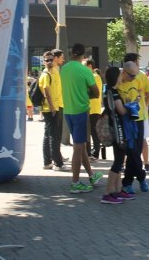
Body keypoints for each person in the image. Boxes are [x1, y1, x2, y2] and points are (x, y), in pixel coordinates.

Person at [61, 43, 103, 193]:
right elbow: (96, 93)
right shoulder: (85, 71)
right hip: (81, 111)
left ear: (71, 53)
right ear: (84, 55)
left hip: (68, 111)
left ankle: (91, 175)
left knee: (81, 145)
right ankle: (75, 182)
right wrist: (85, 94)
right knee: (78, 148)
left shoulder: (63, 69)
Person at [100, 67, 136, 204]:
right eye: (120, 75)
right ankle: (107, 193)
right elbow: (121, 111)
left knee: (120, 160)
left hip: (115, 129)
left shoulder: (109, 91)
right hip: (117, 130)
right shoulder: (113, 93)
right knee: (118, 161)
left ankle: (118, 189)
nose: (122, 77)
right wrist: (130, 105)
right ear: (116, 77)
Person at [118, 60, 149, 193]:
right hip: (125, 121)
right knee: (131, 152)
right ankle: (141, 177)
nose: (134, 77)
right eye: (131, 76)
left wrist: (144, 108)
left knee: (135, 152)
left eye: (136, 74)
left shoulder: (141, 76)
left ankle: (128, 182)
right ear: (124, 72)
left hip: (139, 119)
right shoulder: (118, 81)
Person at [123, 53, 149, 176]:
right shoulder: (140, 75)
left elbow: (148, 94)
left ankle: (129, 165)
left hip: (128, 115)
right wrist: (144, 107)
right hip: (138, 115)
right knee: (141, 140)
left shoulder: (125, 76)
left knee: (129, 141)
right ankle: (144, 165)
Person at [39, 51, 67, 172]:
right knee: (54, 136)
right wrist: (52, 107)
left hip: (58, 106)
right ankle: (58, 163)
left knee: (49, 135)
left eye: (51, 59)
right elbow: (46, 92)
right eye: (47, 60)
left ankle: (47, 162)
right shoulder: (45, 75)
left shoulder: (55, 71)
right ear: (44, 61)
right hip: (51, 109)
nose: (49, 62)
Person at [83, 59, 102, 160]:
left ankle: (94, 153)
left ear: (90, 66)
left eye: (84, 65)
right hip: (91, 107)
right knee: (90, 132)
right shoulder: (94, 76)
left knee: (93, 132)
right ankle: (90, 153)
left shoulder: (94, 76)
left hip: (93, 108)